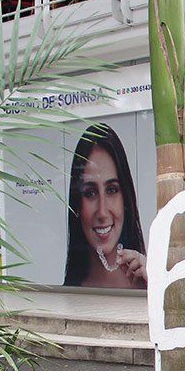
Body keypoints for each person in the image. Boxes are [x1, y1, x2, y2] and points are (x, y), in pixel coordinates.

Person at [63, 123, 147, 288]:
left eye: (111, 190)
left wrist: (158, 288)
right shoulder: (68, 296)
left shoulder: (152, 286)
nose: (102, 212)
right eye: (90, 193)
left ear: (126, 199)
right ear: (77, 205)